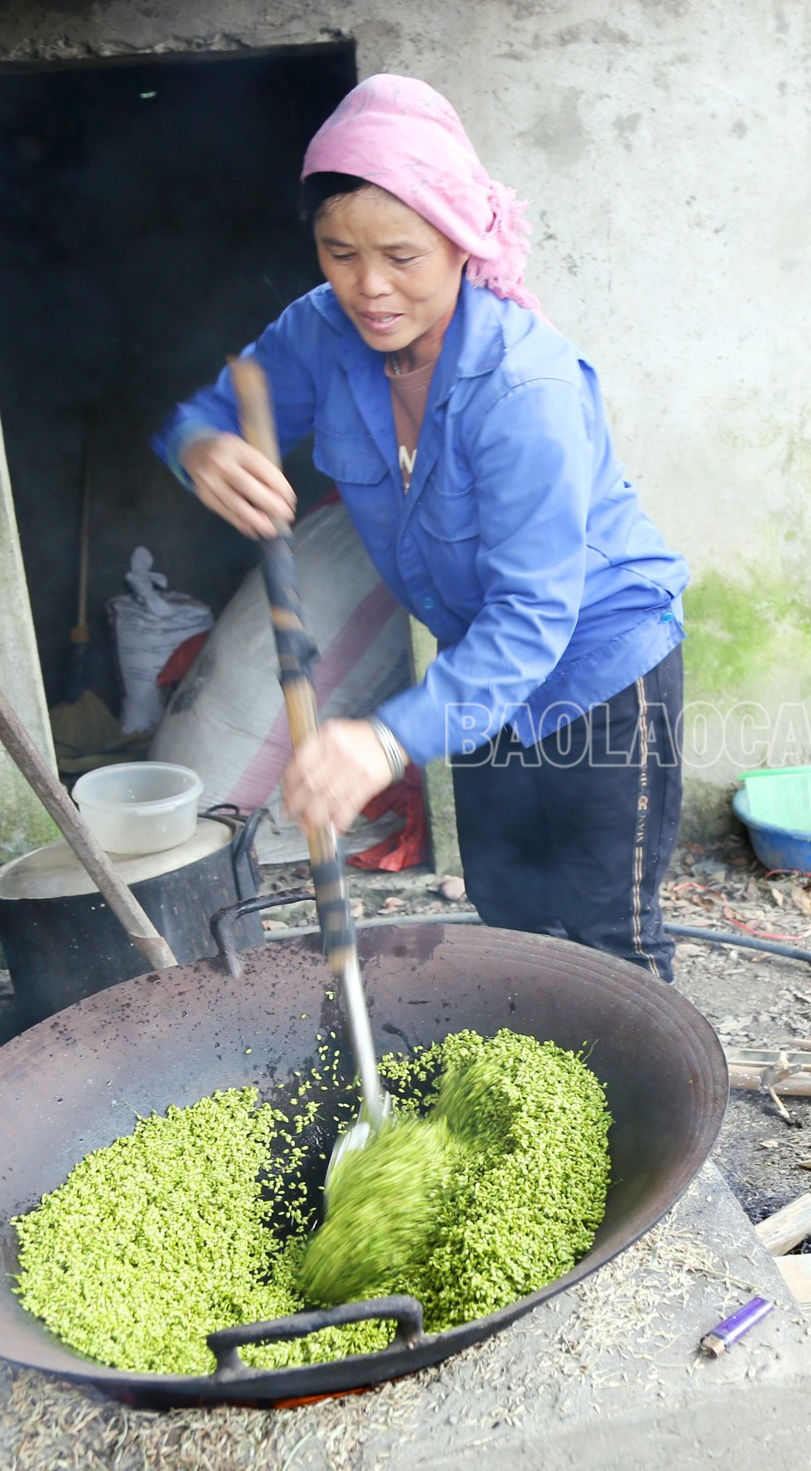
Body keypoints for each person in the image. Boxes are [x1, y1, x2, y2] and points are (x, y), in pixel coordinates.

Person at [153, 75, 689, 979]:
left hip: (599, 663)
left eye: (401, 256)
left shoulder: (524, 389)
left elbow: (534, 616)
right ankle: (526, 1103)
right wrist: (201, 445)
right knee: (508, 912)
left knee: (609, 935)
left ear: (459, 239)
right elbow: (215, 407)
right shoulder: (320, 334)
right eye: (338, 253)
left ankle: (642, 1114)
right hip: (477, 668)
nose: (369, 289)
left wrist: (387, 737)